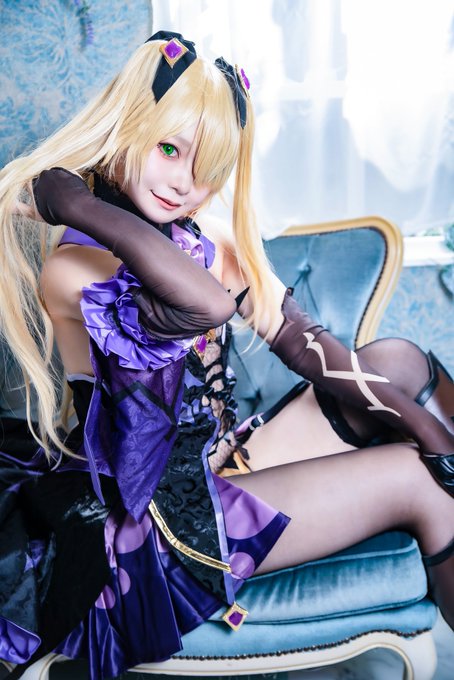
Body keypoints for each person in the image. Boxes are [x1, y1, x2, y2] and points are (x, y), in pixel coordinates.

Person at [0, 30, 453, 680]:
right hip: (154, 521)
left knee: (400, 362)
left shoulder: (201, 244)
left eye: (208, 169)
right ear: (124, 128)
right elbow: (205, 306)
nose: (186, 184)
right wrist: (77, 203)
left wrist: (432, 431)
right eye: (169, 149)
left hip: (221, 460)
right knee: (417, 479)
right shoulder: (76, 269)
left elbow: (305, 347)